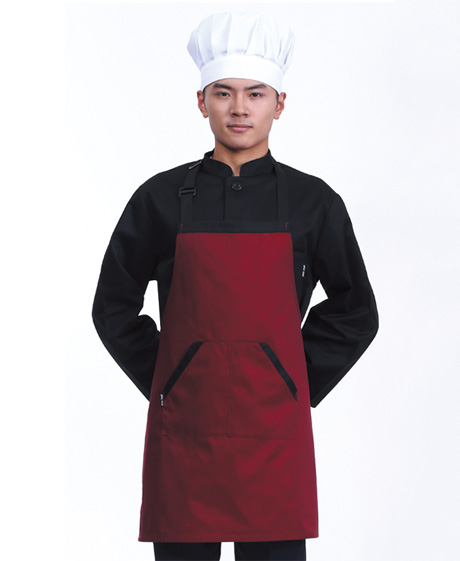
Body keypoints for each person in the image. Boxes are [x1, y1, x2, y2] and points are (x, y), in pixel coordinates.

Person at [92, 11, 379, 561]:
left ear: (280, 103)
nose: (240, 108)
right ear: (202, 102)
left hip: (275, 436)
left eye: (256, 94)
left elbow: (355, 310)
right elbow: (112, 307)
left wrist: (290, 382)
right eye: (224, 93)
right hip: (185, 434)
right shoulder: (158, 199)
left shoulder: (314, 203)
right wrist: (172, 380)